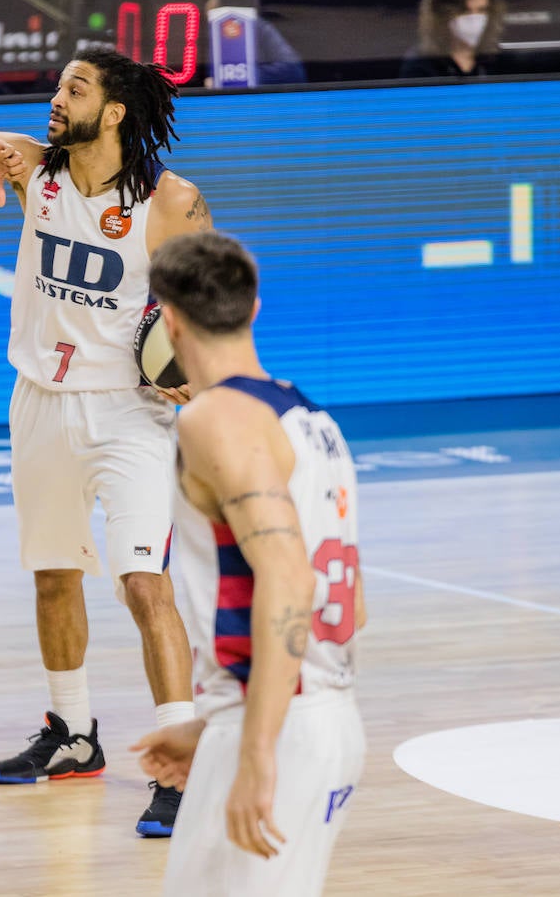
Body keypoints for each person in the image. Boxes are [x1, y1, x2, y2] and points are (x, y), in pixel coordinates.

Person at [0, 46, 210, 836]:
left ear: (116, 112)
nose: (55, 99)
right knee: (54, 577)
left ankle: (182, 762)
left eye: (76, 89)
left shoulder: (169, 201)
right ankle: (73, 737)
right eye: (58, 86)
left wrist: (196, 366)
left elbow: (216, 298)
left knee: (145, 585)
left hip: (130, 415)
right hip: (38, 403)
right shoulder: (36, 169)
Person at [130, 232, 366, 896]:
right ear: (253, 308)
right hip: (318, 718)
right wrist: (209, 728)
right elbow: (350, 609)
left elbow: (290, 579)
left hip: (276, 729)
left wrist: (257, 750)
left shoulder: (216, 419)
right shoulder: (310, 416)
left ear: (167, 319)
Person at [400, 0, 506, 79]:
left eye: (481, 10)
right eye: (465, 11)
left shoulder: (498, 59)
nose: (475, 19)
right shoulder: (420, 64)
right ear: (442, 14)